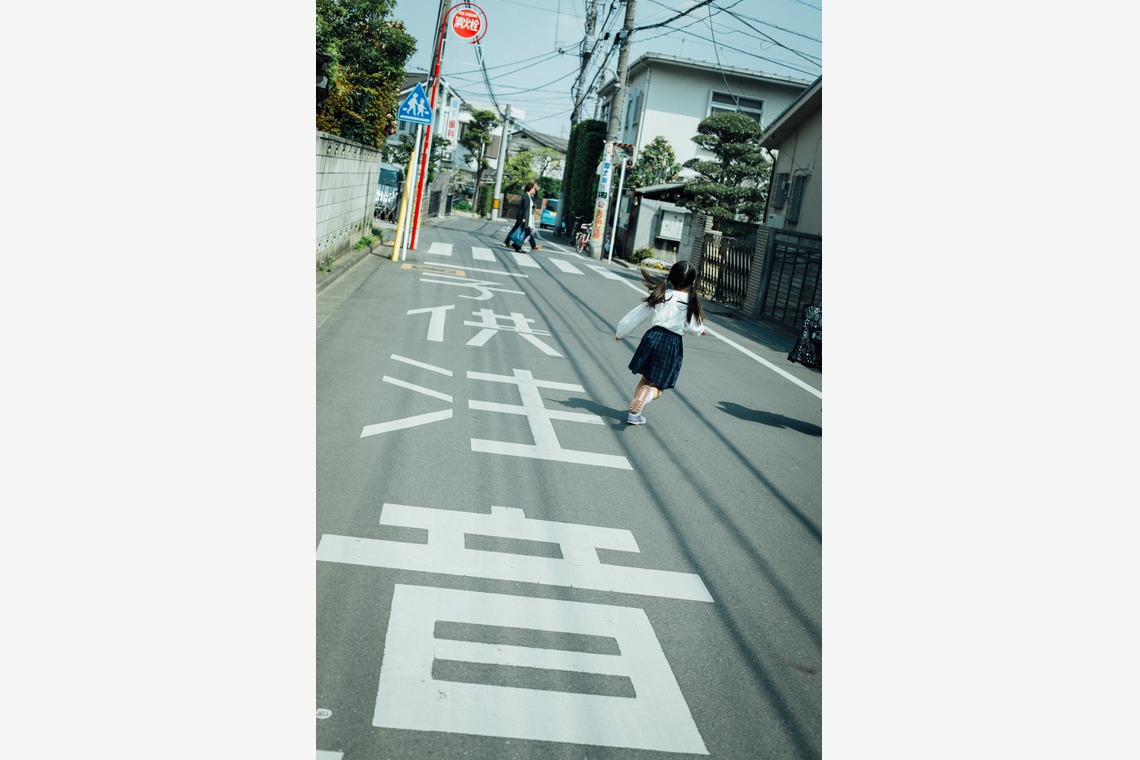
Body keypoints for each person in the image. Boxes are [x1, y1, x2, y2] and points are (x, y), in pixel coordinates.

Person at [614, 261, 707, 425]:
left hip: (653, 337)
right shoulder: (690, 302)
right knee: (659, 386)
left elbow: (636, 315)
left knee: (645, 378)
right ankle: (648, 395)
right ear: (691, 283)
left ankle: (634, 415)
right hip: (672, 343)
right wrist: (701, 330)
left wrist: (621, 332)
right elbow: (693, 327)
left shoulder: (661, 294)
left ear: (670, 277)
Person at [503, 182, 542, 252]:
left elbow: (531, 204)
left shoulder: (529, 196)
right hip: (523, 217)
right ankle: (517, 245)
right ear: (530, 188)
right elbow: (524, 208)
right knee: (524, 232)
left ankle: (516, 245)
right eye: (534, 188)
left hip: (527, 217)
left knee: (525, 232)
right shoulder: (526, 197)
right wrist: (524, 218)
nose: (535, 190)